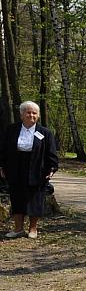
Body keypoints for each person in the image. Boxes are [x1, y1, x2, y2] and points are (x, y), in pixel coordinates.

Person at [0, 101, 58, 239]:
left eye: (34, 113)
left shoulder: (45, 133)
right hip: (15, 168)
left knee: (35, 200)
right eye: (28, 112)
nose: (31, 115)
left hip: (38, 170)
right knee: (17, 198)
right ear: (21, 115)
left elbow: (51, 153)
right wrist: (1, 165)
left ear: (38, 116)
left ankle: (33, 229)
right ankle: (18, 229)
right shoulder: (11, 130)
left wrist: (52, 168)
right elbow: (3, 149)